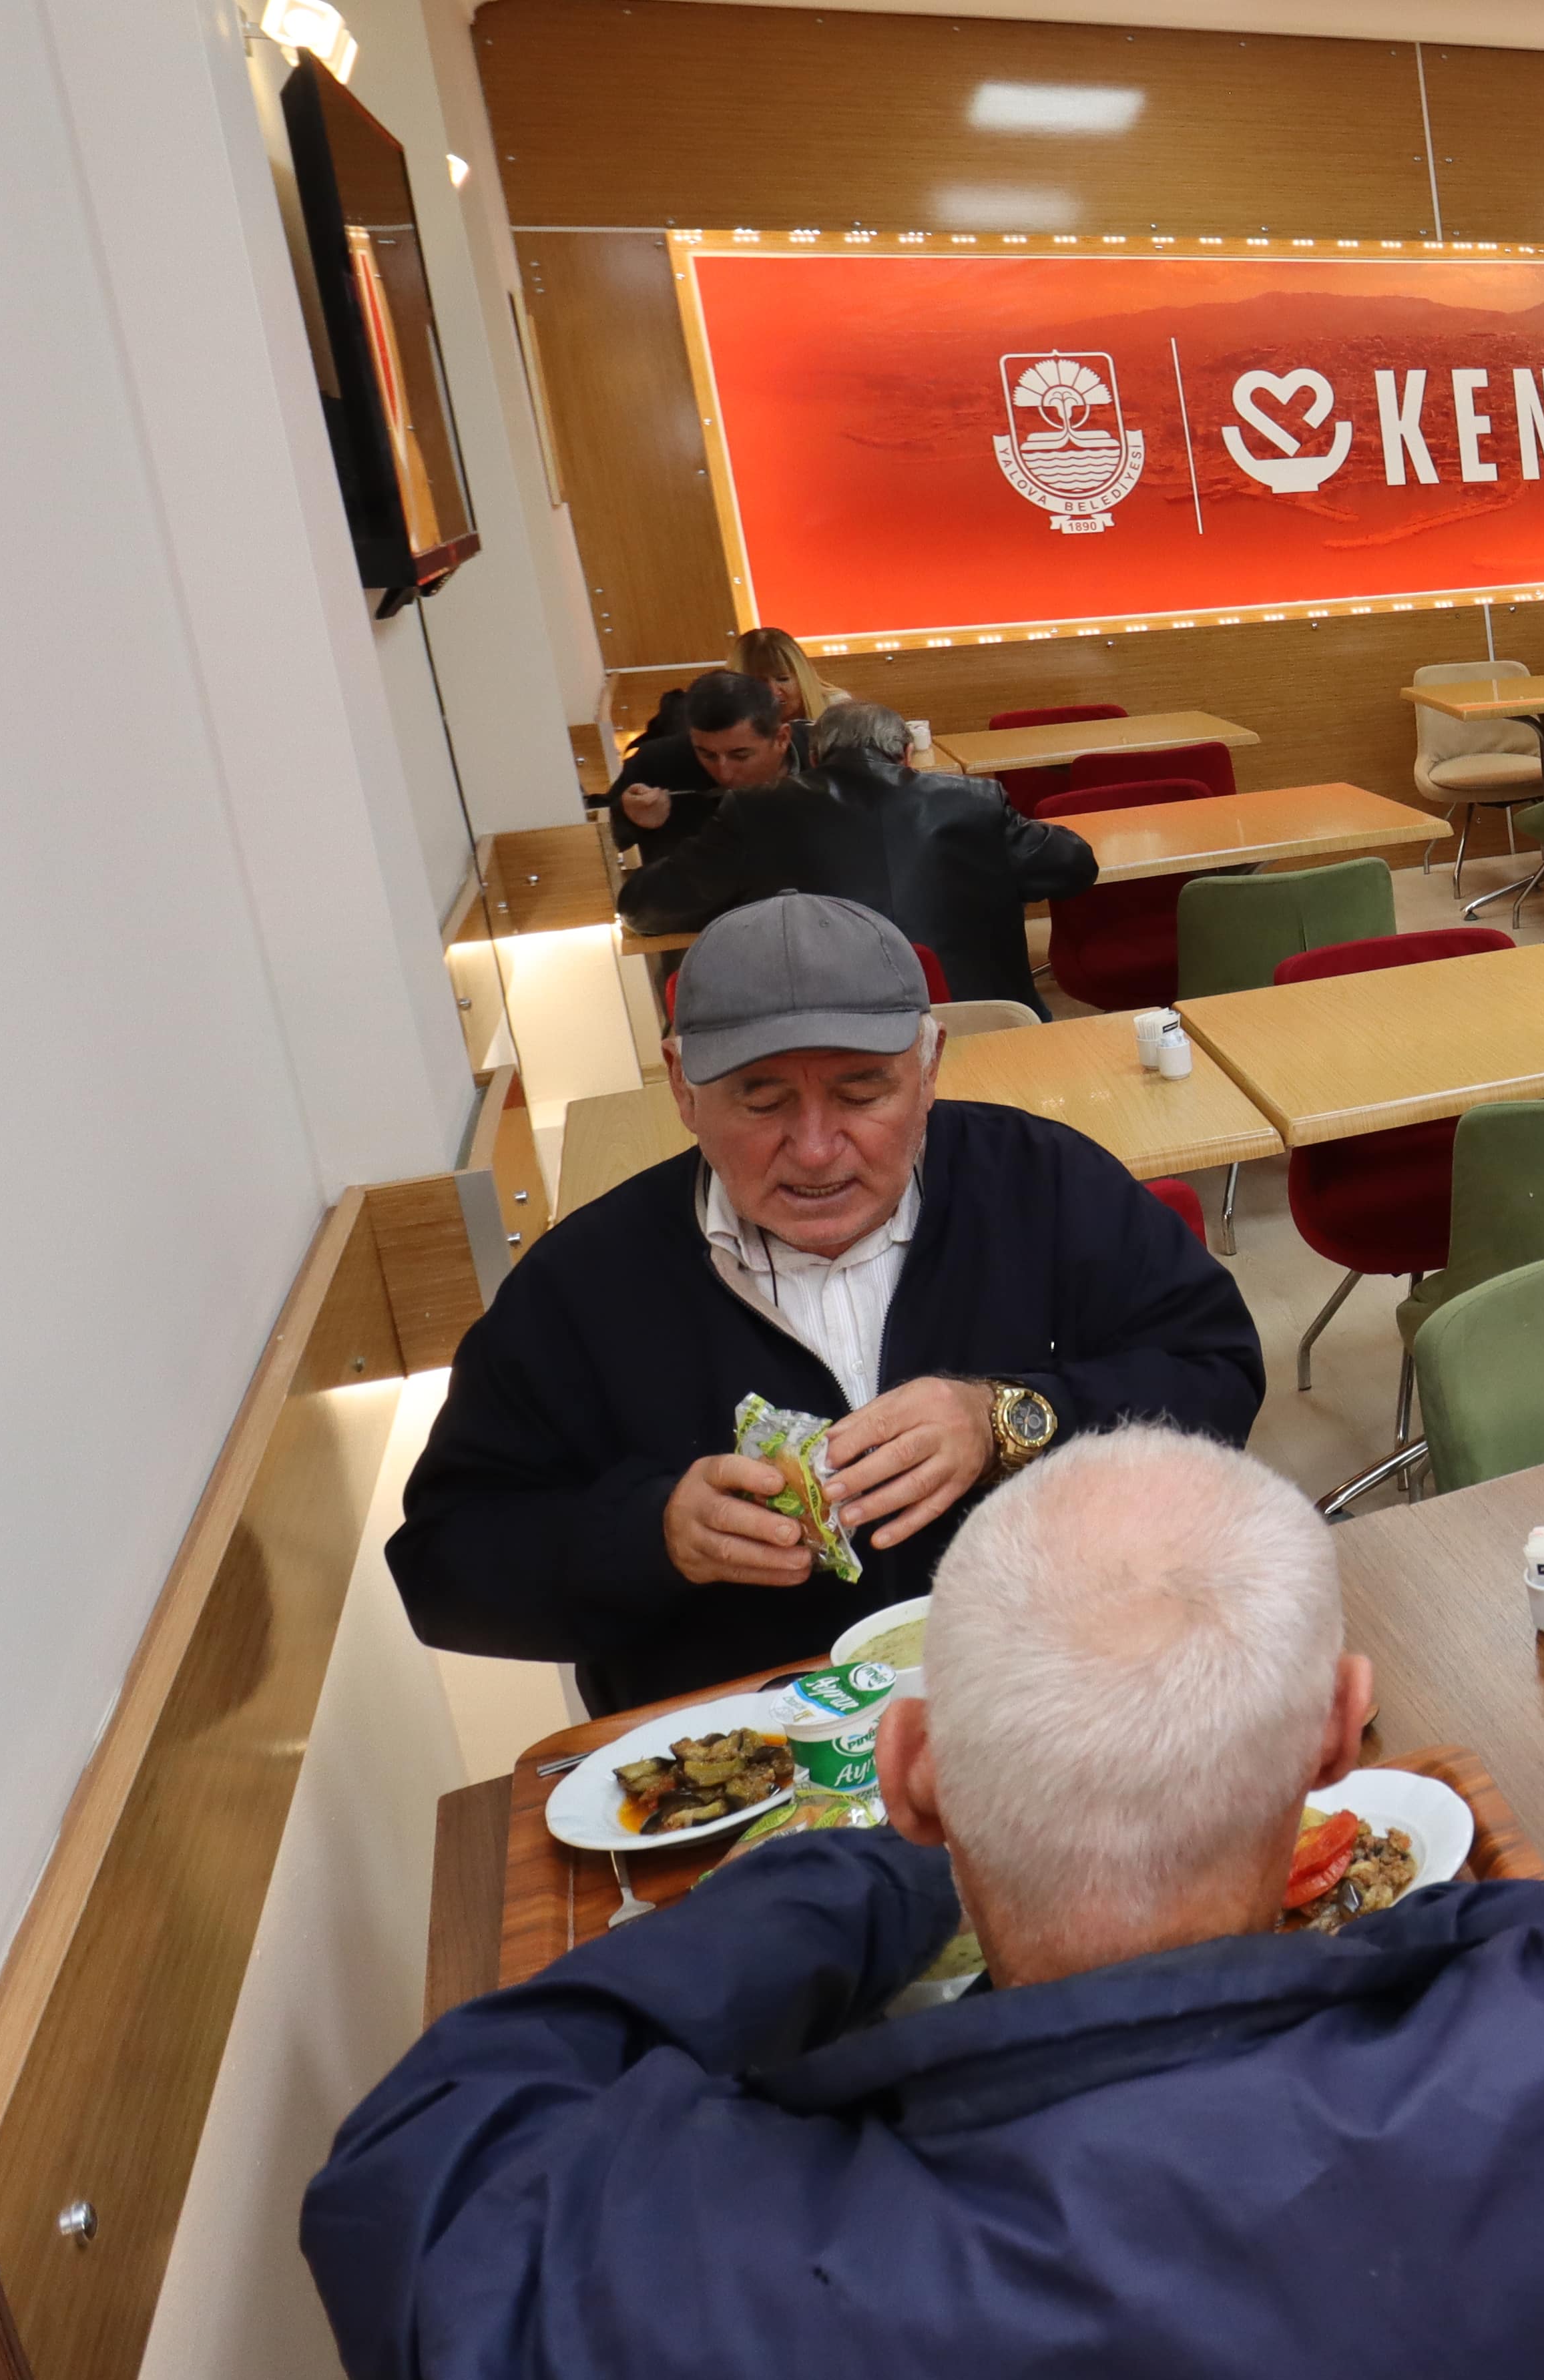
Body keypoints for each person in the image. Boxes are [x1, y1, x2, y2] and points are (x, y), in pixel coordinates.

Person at [308, 1425, 1544, 2380]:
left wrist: (856, 1881)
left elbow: (418, 2159)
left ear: (913, 1774)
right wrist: (1386, 1950)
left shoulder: (677, 2310)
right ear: (1339, 1732)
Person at [390, 895, 1263, 1713]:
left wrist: (1010, 1419)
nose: (814, 1149)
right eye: (762, 1099)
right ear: (683, 1086)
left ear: (929, 1067)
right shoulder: (581, 1285)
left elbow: (1217, 1375)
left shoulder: (1045, 1184)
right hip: (751, 1756)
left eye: (862, 1092)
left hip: (1058, 1694)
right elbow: (443, 1567)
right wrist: (655, 1534)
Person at [614, 701, 1095, 1011]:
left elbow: (643, 909)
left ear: (815, 757)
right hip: (983, 1017)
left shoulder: (755, 811)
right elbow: (1075, 866)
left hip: (838, 1032)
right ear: (906, 755)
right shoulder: (973, 802)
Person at [605, 667, 793, 861]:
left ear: (782, 739)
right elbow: (598, 838)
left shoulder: (814, 758)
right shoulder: (656, 765)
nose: (724, 774)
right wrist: (627, 819)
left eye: (740, 756)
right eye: (707, 755)